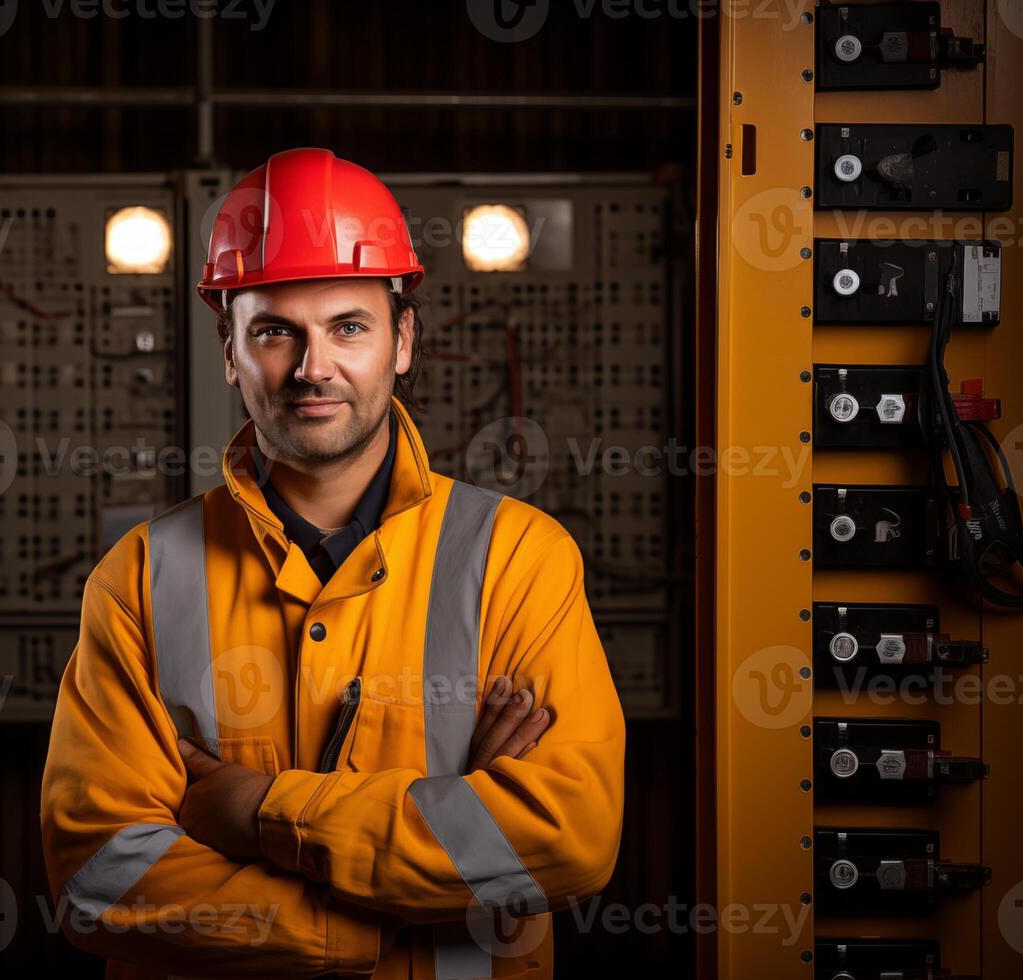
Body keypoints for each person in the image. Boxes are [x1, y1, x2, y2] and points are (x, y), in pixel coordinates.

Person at [41, 147, 626, 979]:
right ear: (229, 351)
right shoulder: (142, 577)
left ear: (402, 340)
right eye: (277, 331)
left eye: (349, 326)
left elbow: (567, 839)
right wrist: (365, 923)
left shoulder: (517, 559)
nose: (314, 367)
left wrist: (258, 813)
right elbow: (99, 875)